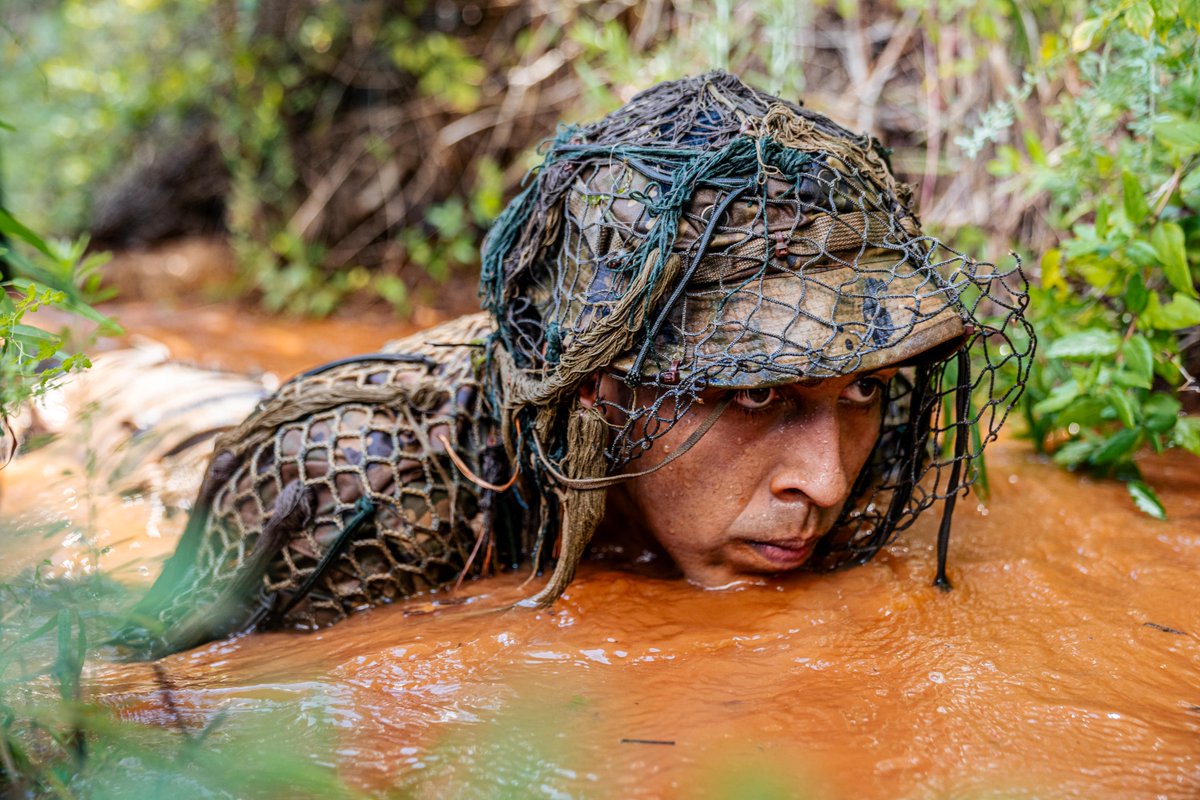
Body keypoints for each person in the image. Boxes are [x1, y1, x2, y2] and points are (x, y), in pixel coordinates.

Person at [120, 72, 1033, 658]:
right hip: (165, 426)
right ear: (601, 382)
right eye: (758, 392)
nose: (827, 481)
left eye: (861, 388)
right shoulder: (356, 494)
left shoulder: (889, 445)